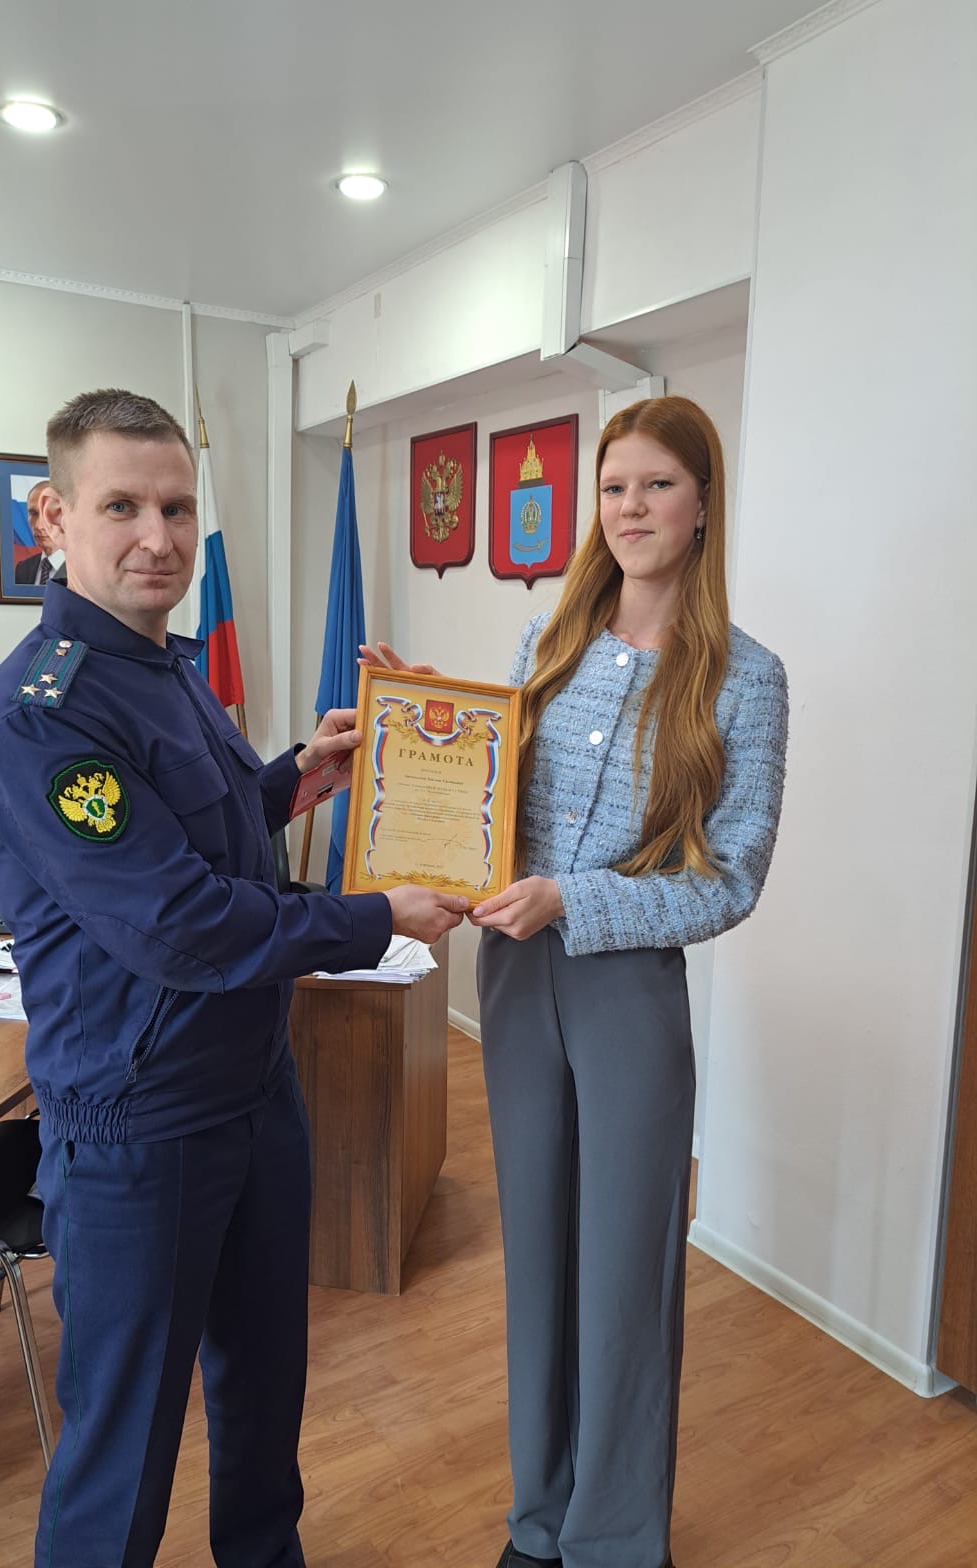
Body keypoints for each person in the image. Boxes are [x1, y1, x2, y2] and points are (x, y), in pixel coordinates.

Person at [0, 387, 466, 1568]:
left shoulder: (168, 667)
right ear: (53, 517)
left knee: (263, 1396)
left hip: (252, 1089)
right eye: (122, 506)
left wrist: (295, 777)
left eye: (178, 508)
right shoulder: (39, 715)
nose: (160, 537)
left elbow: (204, 832)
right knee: (124, 1448)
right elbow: (179, 924)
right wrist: (374, 916)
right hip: (140, 1124)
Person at [363, 395, 788, 1568]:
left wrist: (575, 901)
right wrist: (427, 731)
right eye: (614, 488)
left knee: (624, 1269)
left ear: (703, 504)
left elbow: (730, 878)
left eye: (657, 484)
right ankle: (538, 1520)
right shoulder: (546, 646)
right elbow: (495, 807)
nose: (631, 508)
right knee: (539, 1259)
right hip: (515, 977)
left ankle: (614, 1539)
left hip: (625, 990)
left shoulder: (746, 678)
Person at [14, 478, 66, 585]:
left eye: (48, 513)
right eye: (33, 513)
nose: (39, 526)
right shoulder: (22, 569)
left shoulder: (84, 571)